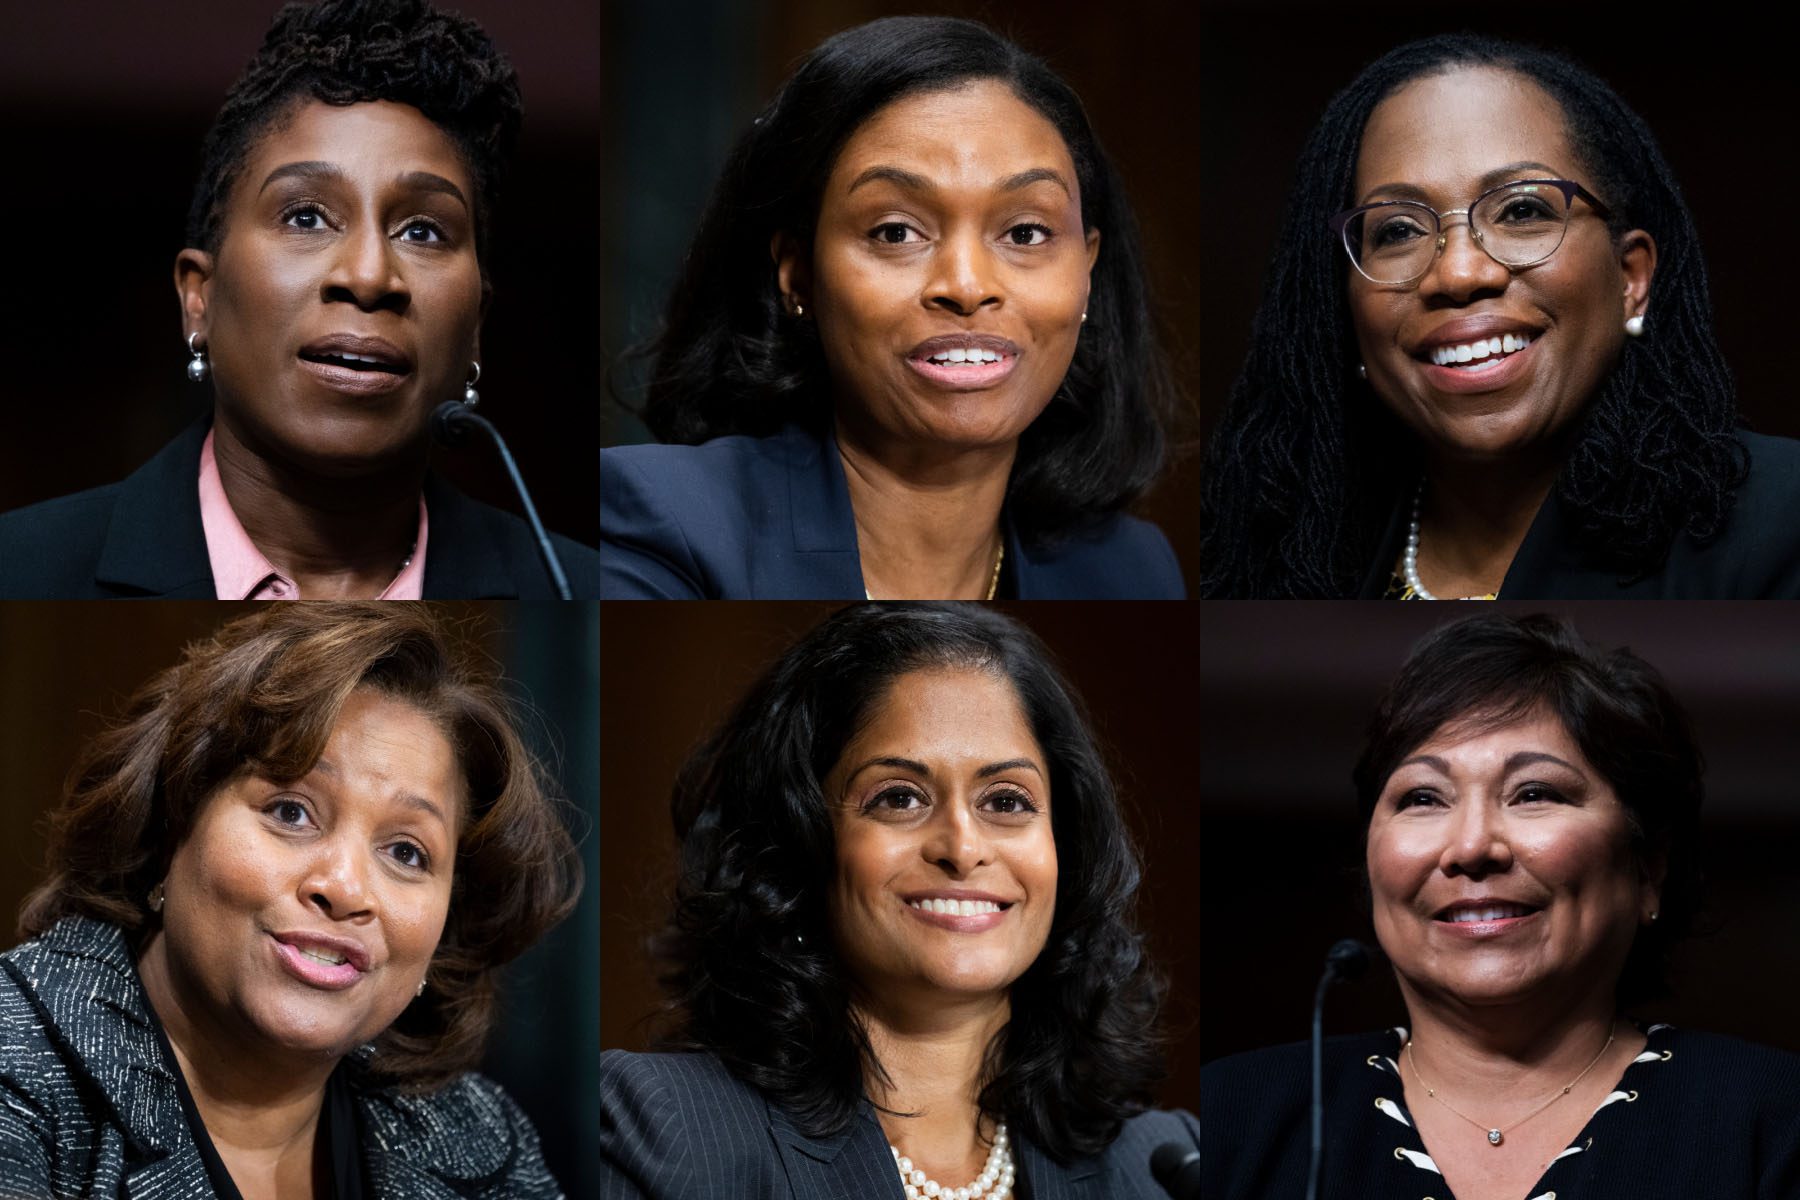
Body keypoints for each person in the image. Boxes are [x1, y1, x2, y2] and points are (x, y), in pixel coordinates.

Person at [0, 0, 598, 599]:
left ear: (475, 328)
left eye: (422, 231)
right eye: (306, 216)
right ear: (198, 300)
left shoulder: (573, 585)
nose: (368, 276)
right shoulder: (24, 569)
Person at [599, 604, 1196, 1197]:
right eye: (899, 798)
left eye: (1007, 802)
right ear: (795, 845)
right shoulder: (659, 1131)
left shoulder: (1165, 1168)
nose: (963, 849)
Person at [1202, 613, 1800, 1198]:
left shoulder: (1773, 1121)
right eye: (1423, 798)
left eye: (1534, 793)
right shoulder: (1231, 1117)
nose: (1470, 848)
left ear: (1648, 869)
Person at [0, 603, 582, 1197]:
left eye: (407, 852)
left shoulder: (481, 1135)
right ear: (169, 828)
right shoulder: (14, 1067)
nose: (346, 889)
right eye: (290, 812)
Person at [601, 17, 1183, 600]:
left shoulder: (1132, 569)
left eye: (1026, 233)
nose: (966, 285)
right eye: (896, 232)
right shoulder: (667, 526)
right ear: (798, 276)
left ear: (1087, 269)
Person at [1200, 34, 1800, 599]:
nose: (1459, 275)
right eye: (1399, 229)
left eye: (1520, 211)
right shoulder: (1272, 555)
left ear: (1630, 277)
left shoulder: (1776, 523)